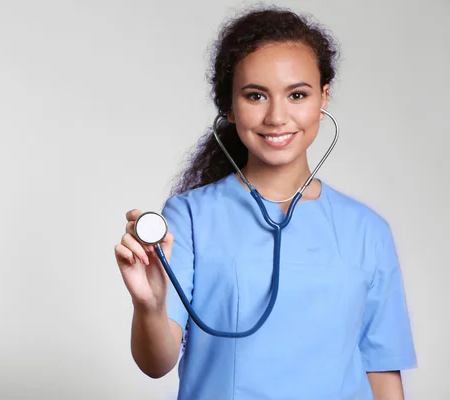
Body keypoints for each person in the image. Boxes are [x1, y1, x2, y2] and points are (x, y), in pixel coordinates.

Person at [114, 5, 417, 399]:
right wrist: (150, 305)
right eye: (256, 95)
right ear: (229, 105)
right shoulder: (189, 217)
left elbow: (381, 375)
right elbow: (156, 363)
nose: (277, 116)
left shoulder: (368, 230)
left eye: (297, 94)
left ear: (323, 97)